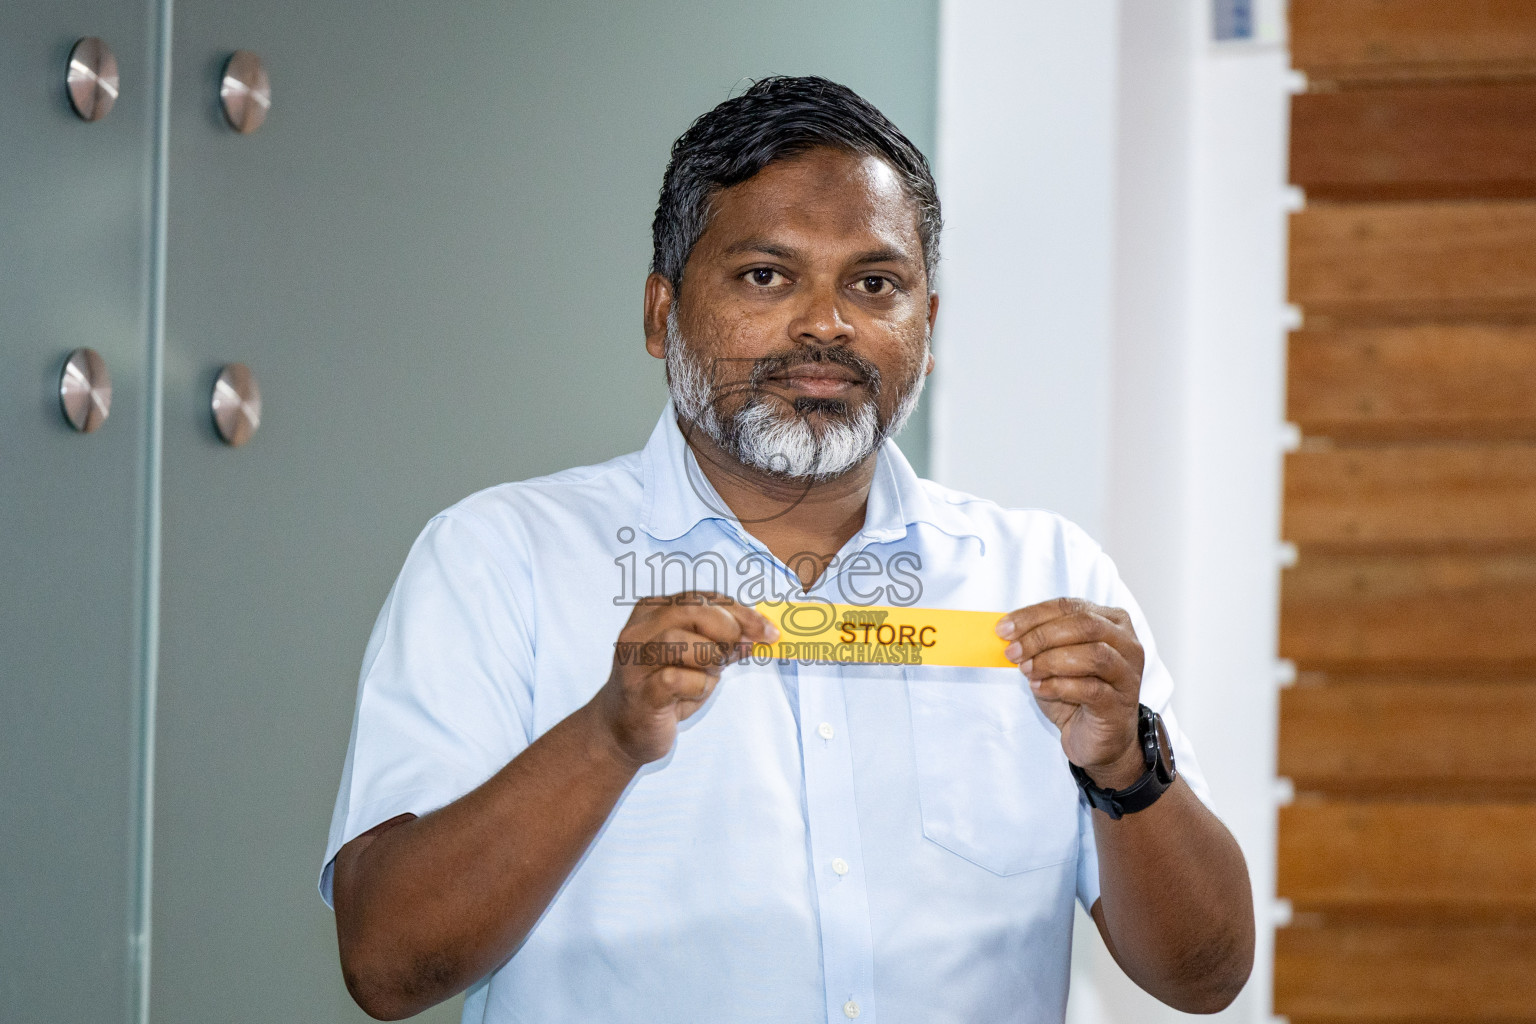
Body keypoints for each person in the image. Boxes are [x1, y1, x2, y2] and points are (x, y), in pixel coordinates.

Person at [322, 75, 1254, 1023]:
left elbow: (1207, 976)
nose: (827, 323)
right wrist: (604, 737)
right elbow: (388, 966)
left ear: (925, 332)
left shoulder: (1047, 576)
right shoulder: (498, 559)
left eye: (874, 284)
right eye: (766, 275)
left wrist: (1128, 772)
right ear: (660, 314)